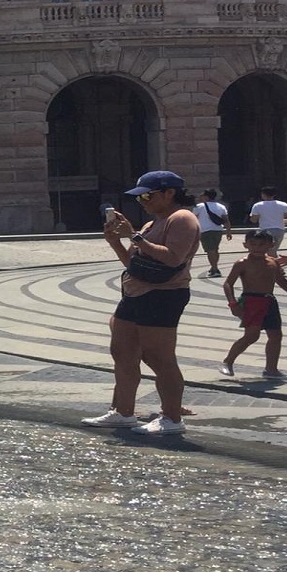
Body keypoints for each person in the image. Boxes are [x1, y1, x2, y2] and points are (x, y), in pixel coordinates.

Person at [82, 170, 199, 439]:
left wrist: (134, 236)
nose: (142, 201)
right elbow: (133, 264)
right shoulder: (151, 223)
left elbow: (173, 259)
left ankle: (171, 417)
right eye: (139, 197)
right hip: (135, 292)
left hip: (164, 294)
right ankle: (123, 412)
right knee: (122, 351)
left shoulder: (182, 218)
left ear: (169, 193)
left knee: (158, 357)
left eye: (148, 195)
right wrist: (115, 242)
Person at [219, 230, 287, 379]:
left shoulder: (273, 262)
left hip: (269, 300)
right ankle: (228, 361)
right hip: (251, 301)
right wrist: (233, 303)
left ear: (271, 245)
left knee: (276, 335)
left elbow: (281, 280)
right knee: (252, 336)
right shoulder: (242, 263)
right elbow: (228, 283)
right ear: (246, 245)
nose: (257, 247)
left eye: (262, 244)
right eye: (253, 244)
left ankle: (271, 369)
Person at [192, 188, 233, 277]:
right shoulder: (221, 206)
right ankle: (213, 266)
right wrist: (228, 231)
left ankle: (215, 269)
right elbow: (226, 220)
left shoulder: (200, 206)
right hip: (218, 230)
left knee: (210, 250)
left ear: (206, 197)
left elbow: (192, 218)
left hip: (206, 231)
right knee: (215, 249)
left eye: (202, 195)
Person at [246, 186, 287, 256]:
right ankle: (273, 264)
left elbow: (254, 220)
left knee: (268, 251)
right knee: (273, 250)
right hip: (279, 229)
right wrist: (285, 221)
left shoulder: (258, 206)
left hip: (265, 230)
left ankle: (273, 265)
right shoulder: (283, 204)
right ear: (274, 195)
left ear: (263, 194)